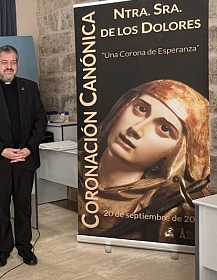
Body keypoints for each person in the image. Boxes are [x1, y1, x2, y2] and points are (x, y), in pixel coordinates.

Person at [79, 79, 210, 243]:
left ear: (177, 151)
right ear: (122, 107)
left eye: (164, 128)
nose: (136, 129)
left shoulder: (168, 206)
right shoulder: (74, 170)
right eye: (141, 109)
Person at [0, 45, 47, 268]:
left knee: (23, 204)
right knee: (2, 206)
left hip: (25, 158)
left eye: (13, 62)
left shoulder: (30, 87)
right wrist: (2, 150)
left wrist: (29, 148)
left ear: (17, 64)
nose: (9, 66)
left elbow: (40, 121)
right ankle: (3, 248)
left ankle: (24, 246)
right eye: (4, 62)